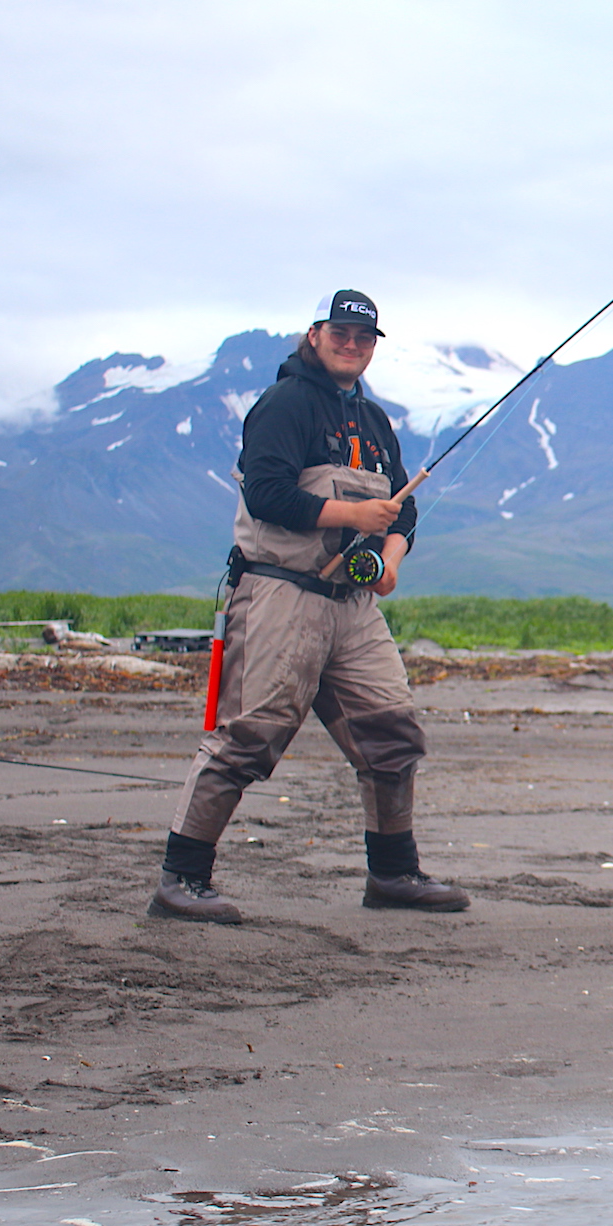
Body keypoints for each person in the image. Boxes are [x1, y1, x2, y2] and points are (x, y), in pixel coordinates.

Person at [149, 290, 467, 922]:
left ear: (374, 346)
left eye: (365, 338)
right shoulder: (284, 404)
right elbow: (266, 494)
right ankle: (180, 881)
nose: (353, 345)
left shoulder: (374, 423)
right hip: (278, 595)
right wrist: (352, 513)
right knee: (248, 735)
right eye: (341, 333)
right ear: (315, 335)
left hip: (354, 607)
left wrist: (391, 562)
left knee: (392, 734)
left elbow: (403, 510)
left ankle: (393, 875)